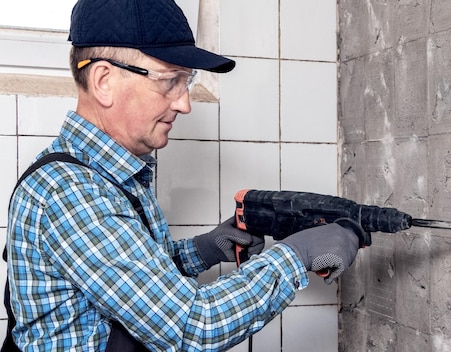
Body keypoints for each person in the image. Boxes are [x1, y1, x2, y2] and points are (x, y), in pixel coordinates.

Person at [3, 0, 362, 351]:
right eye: (169, 81)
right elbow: (190, 326)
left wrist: (202, 250)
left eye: (185, 82)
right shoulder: (71, 193)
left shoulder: (109, 174)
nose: (184, 104)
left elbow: (129, 279)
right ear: (104, 81)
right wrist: (295, 255)